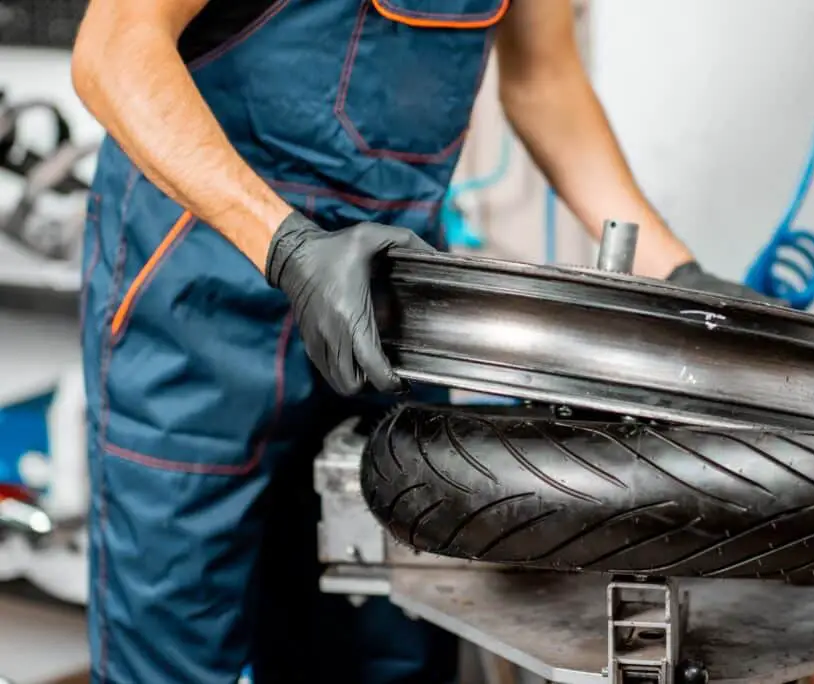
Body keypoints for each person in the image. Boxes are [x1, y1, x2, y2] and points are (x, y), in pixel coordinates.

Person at [70, 1, 769, 682]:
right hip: (198, 297)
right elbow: (113, 48)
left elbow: (544, 80)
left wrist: (679, 273)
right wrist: (289, 248)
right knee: (177, 639)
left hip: (394, 314)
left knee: (388, 629)